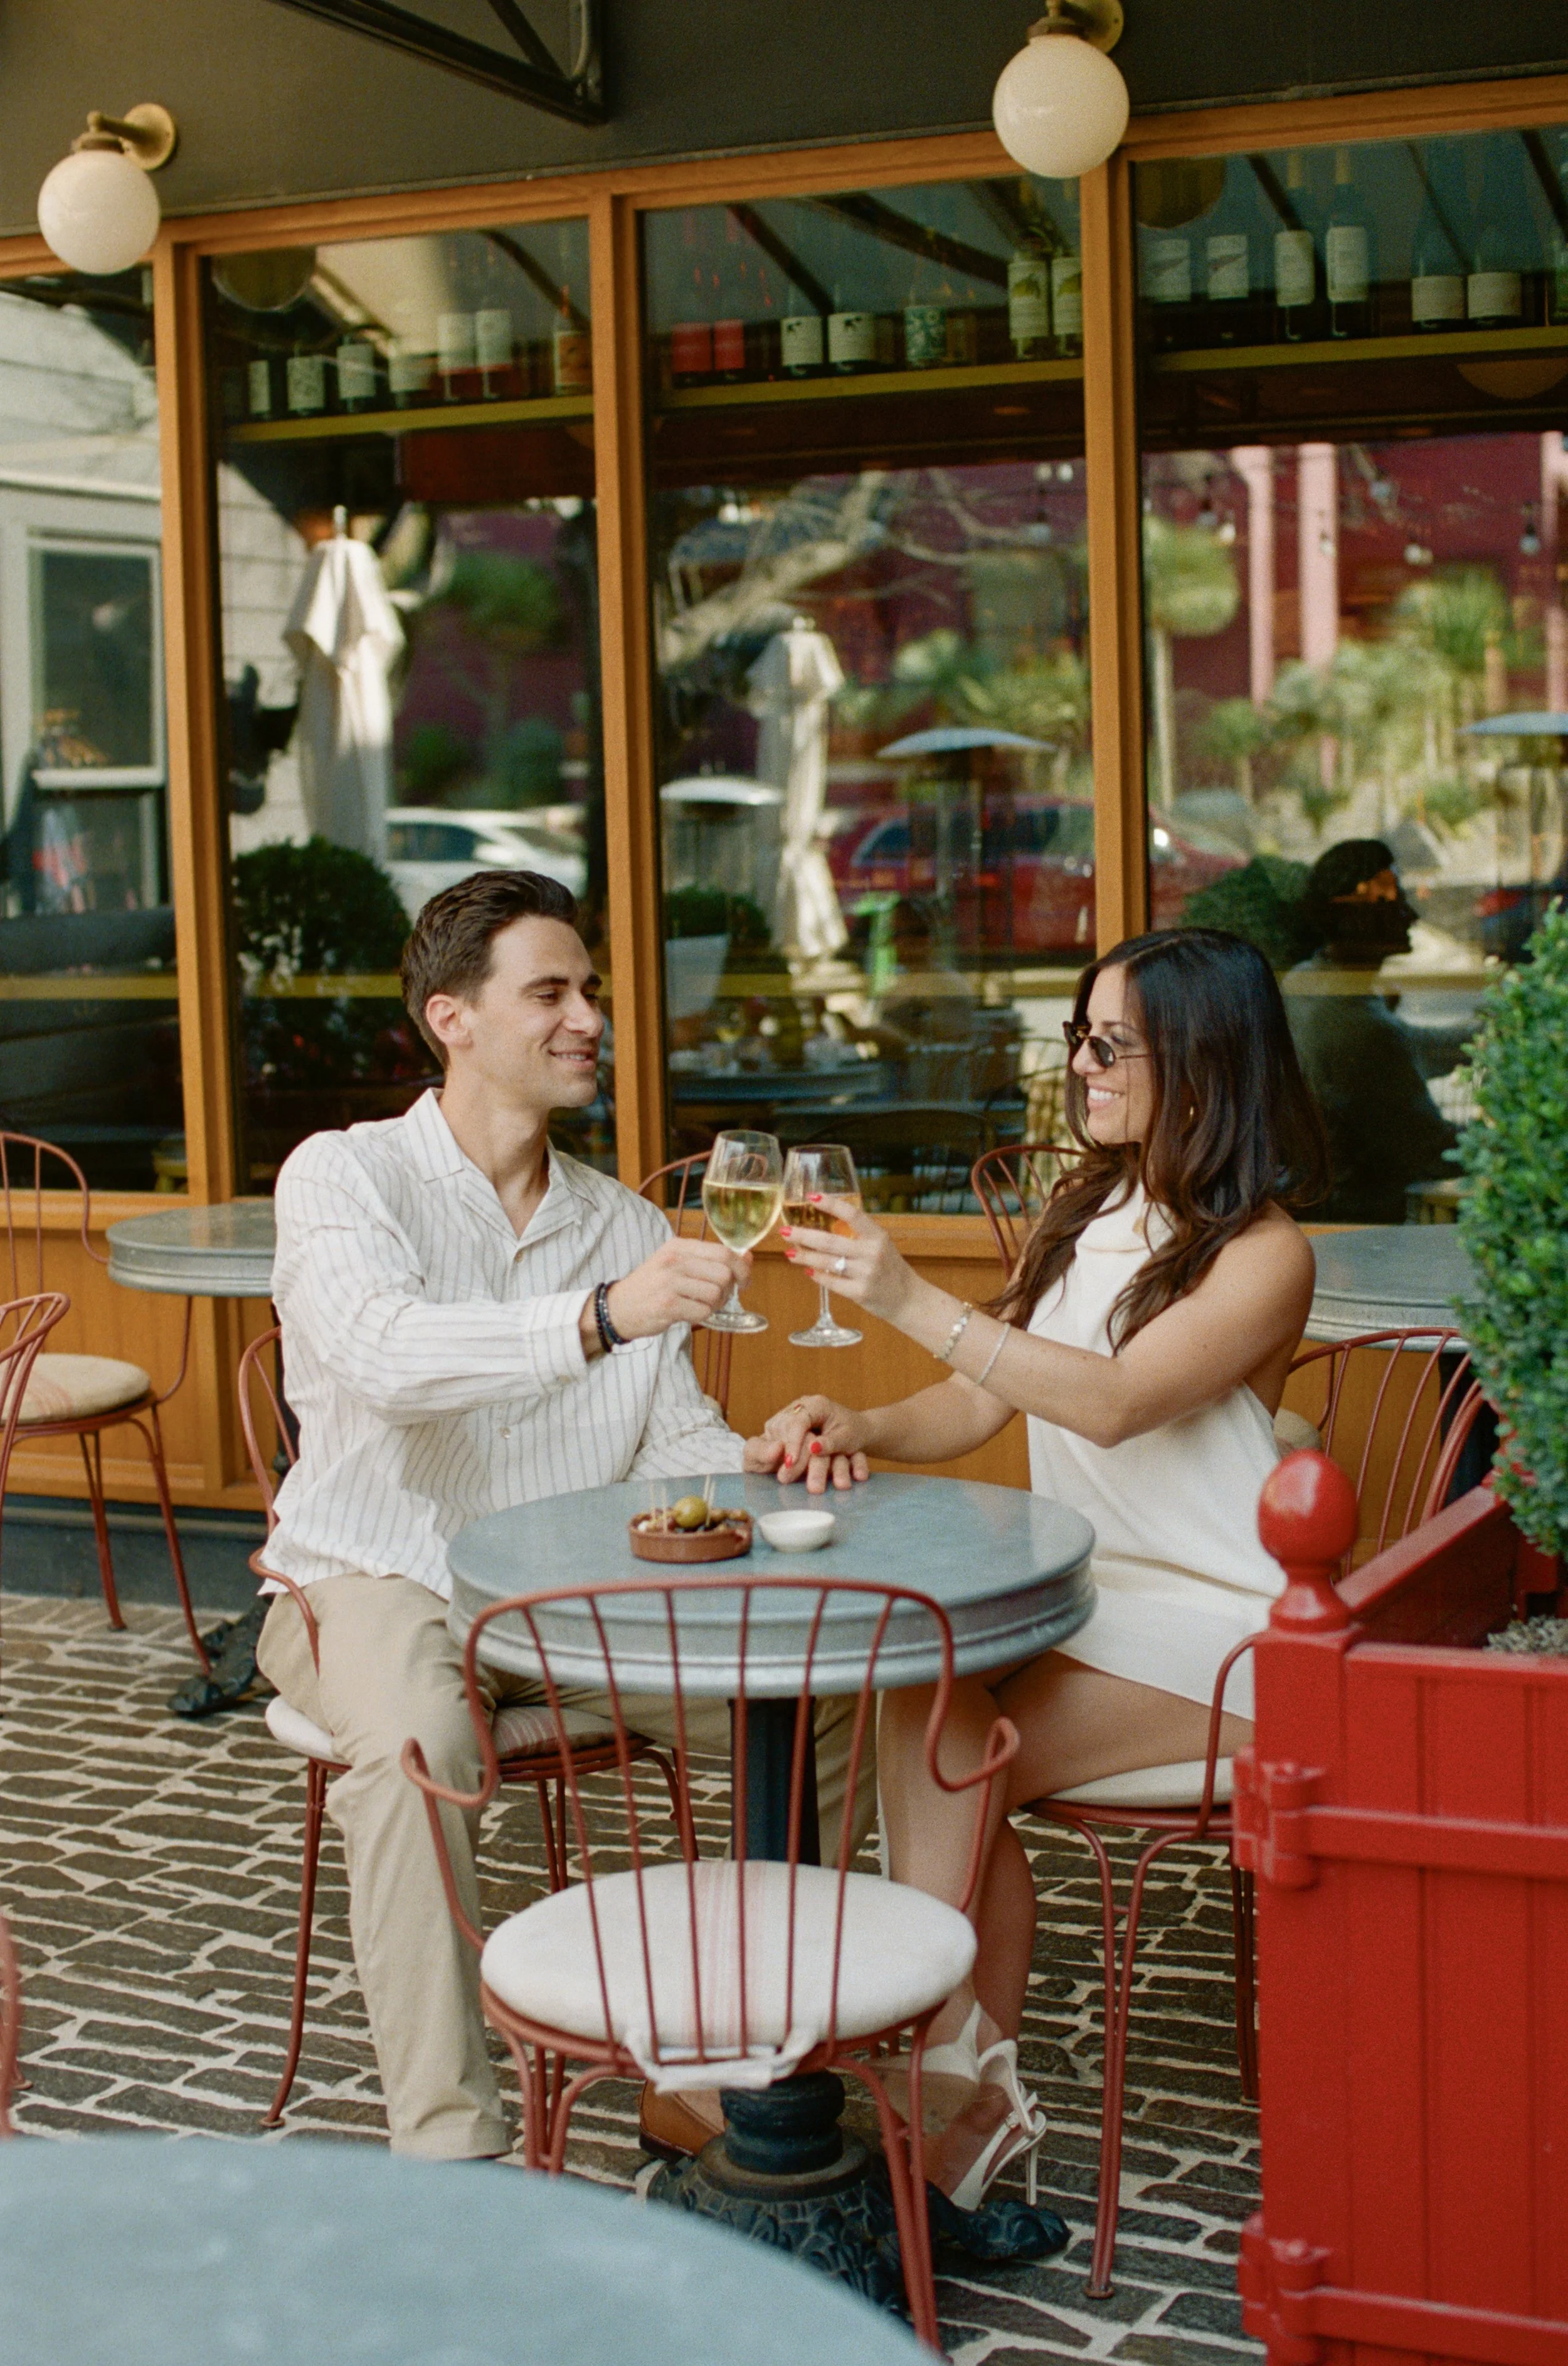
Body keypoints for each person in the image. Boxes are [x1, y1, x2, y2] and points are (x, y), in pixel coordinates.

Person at [255, 869, 869, 2164]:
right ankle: (453, 2151)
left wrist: (751, 1461)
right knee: (419, 1747)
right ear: (452, 1018)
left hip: (568, 1599)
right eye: (550, 992)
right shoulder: (344, 1175)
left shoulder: (624, 1220)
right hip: (382, 1574)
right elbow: (383, 1355)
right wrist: (599, 1317)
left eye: (589, 990)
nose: (589, 1017)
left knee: (831, 1700)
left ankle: (719, 2063)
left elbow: (667, 1441)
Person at [749, 927, 1327, 2205]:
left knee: (955, 1756)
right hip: (1091, 1602)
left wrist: (909, 1296)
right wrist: (858, 1421)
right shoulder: (1085, 1211)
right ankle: (959, 2086)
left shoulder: (1261, 1250)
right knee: (922, 1697)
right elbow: (978, 1397)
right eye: (1079, 1036)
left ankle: (931, 2084)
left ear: (1202, 1063)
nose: (1083, 1064)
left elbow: (1113, 1402)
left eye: (1112, 1042)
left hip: (1228, 1631)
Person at [1285, 839, 1460, 1223]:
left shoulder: (1307, 980)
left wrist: (1490, 1034)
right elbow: (1434, 1152)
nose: (1411, 916)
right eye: (1395, 904)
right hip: (1364, 1223)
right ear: (1360, 918)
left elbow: (1405, 1049)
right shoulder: (1360, 1026)